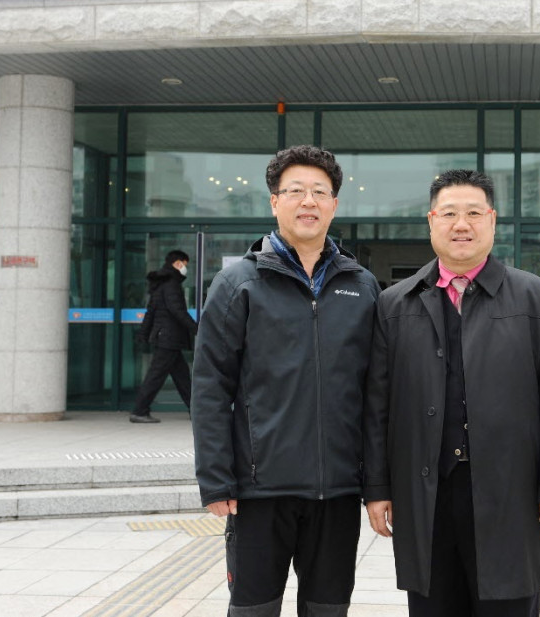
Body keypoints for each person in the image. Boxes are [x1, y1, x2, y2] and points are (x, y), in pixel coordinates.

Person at [363, 169, 540, 617]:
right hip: (425, 492)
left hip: (511, 491)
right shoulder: (395, 303)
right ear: (431, 222)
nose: (461, 224)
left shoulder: (537, 299)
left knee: (508, 602)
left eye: (473, 213)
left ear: (492, 220)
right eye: (449, 214)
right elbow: (378, 406)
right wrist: (377, 487)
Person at [192, 145, 381, 617]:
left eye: (320, 192)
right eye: (296, 191)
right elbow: (211, 385)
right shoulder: (238, 284)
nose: (308, 201)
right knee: (254, 609)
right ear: (275, 201)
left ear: (334, 204)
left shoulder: (361, 286)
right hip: (259, 492)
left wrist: (377, 481)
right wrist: (216, 478)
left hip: (338, 491)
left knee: (328, 610)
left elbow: (377, 394)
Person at [129, 249, 199, 423]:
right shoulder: (171, 285)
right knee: (156, 376)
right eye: (184, 265)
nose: (185, 269)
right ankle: (139, 411)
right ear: (177, 264)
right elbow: (177, 311)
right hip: (169, 338)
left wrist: (143, 334)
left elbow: (150, 312)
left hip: (167, 338)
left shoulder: (162, 284)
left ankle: (196, 411)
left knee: (182, 377)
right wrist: (197, 328)